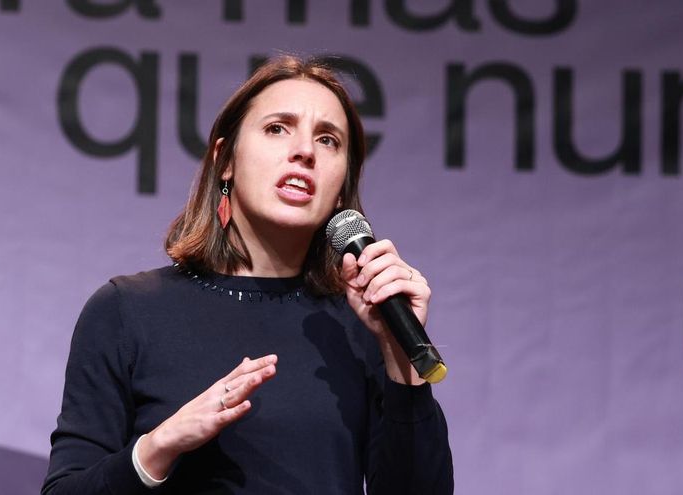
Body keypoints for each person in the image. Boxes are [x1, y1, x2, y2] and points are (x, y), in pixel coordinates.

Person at [42, 55, 454, 494]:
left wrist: (400, 361)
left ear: (341, 189)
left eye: (328, 140)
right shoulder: (127, 311)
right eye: (277, 128)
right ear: (226, 161)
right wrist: (159, 446)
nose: (305, 151)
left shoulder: (364, 325)